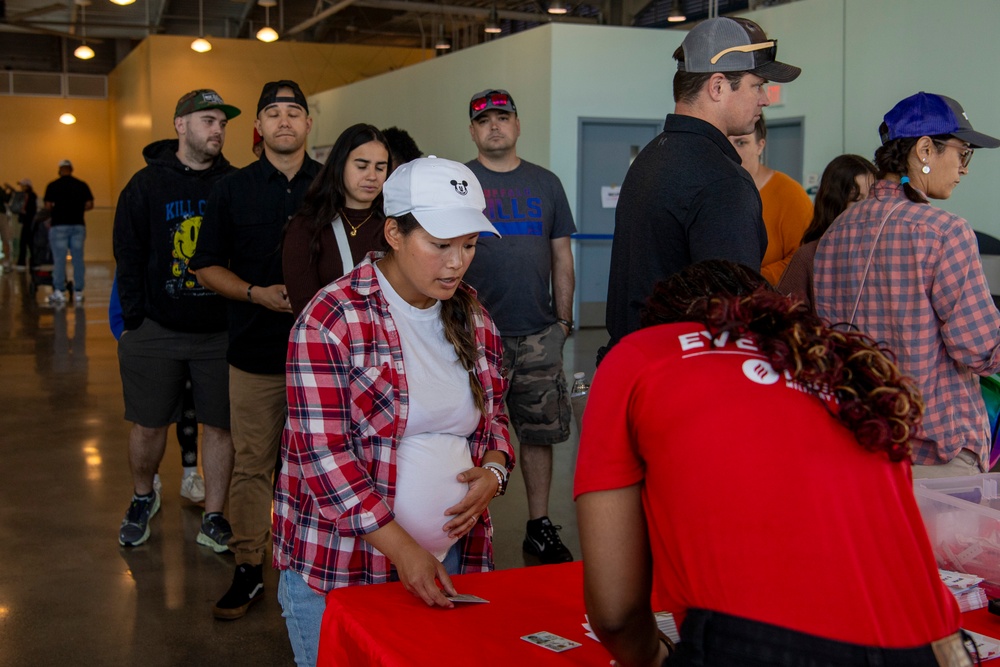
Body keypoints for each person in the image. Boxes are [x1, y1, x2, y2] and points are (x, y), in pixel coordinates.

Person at [576, 260, 968, 667]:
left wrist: (656, 656)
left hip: (764, 646)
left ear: (662, 321)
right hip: (940, 647)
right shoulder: (839, 371)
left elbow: (615, 613)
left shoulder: (641, 355)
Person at [274, 157, 514, 666]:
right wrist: (406, 552)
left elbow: (495, 417)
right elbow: (325, 457)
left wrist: (495, 469)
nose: (456, 263)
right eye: (440, 245)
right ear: (394, 233)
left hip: (454, 563)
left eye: (468, 245)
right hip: (346, 570)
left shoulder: (471, 315)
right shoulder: (331, 319)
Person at [814, 92, 1000, 478]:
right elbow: (978, 348)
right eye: (962, 153)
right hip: (936, 456)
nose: (964, 168)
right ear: (926, 149)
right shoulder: (947, 232)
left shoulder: (836, 233)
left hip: (857, 449)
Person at [190, 79, 321, 620]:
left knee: (320, 463)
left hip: (323, 359)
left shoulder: (332, 187)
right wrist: (254, 294)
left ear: (308, 124)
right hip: (254, 353)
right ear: (259, 129)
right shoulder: (230, 190)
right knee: (252, 467)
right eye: (274, 112)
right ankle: (249, 566)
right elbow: (204, 265)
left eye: (295, 110)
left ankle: (316, 563)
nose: (285, 120)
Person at [601, 16, 801, 362]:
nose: (765, 99)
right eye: (757, 85)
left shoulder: (651, 158)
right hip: (686, 379)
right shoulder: (722, 180)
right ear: (718, 86)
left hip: (634, 367)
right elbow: (735, 318)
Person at [113, 89, 240, 549]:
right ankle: (143, 496)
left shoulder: (234, 183)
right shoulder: (146, 185)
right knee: (148, 423)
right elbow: (128, 256)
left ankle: (214, 515)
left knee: (220, 426)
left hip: (219, 332)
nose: (218, 130)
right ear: (180, 124)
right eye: (208, 120)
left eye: (222, 123)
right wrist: (134, 322)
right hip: (157, 329)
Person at [462, 88, 577, 564]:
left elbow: (560, 256)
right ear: (472, 130)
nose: (495, 126)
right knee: (465, 433)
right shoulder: (460, 181)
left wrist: (564, 322)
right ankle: (465, 524)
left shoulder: (545, 183)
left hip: (537, 332)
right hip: (471, 334)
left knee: (538, 433)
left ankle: (538, 524)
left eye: (503, 117)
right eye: (484, 120)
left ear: (517, 124)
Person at [109, 276, 207, 503]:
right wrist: (124, 334)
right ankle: (150, 480)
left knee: (189, 408)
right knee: (152, 418)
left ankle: (191, 473)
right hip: (150, 341)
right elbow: (123, 286)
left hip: (193, 336)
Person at [282, 123, 390, 315]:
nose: (372, 176)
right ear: (340, 165)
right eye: (362, 166)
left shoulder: (394, 224)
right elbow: (306, 311)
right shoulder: (307, 226)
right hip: (330, 340)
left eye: (380, 168)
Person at [777, 154, 876, 310]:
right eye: (856, 200)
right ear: (835, 203)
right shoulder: (808, 256)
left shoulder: (886, 250)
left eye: (871, 199)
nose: (867, 208)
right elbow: (785, 315)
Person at [728, 114, 813, 285]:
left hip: (772, 301)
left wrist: (750, 280)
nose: (731, 152)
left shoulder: (790, 194)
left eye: (741, 143)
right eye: (726, 143)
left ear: (760, 146)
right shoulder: (717, 193)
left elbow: (805, 258)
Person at [43, 159, 94, 304]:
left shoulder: (53, 185)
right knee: (78, 259)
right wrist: (77, 209)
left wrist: (59, 209)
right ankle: (78, 291)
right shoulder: (81, 185)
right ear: (71, 169)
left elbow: (47, 206)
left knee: (59, 260)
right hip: (78, 225)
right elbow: (90, 204)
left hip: (59, 225)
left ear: (60, 170)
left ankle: (59, 291)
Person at [4, 179, 36, 271]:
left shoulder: (31, 196)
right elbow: (16, 195)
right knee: (25, 243)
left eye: (23, 185)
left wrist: (25, 212)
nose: (21, 187)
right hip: (26, 222)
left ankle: (25, 263)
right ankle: (25, 262)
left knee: (26, 243)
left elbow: (30, 209)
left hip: (29, 222)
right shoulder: (24, 195)